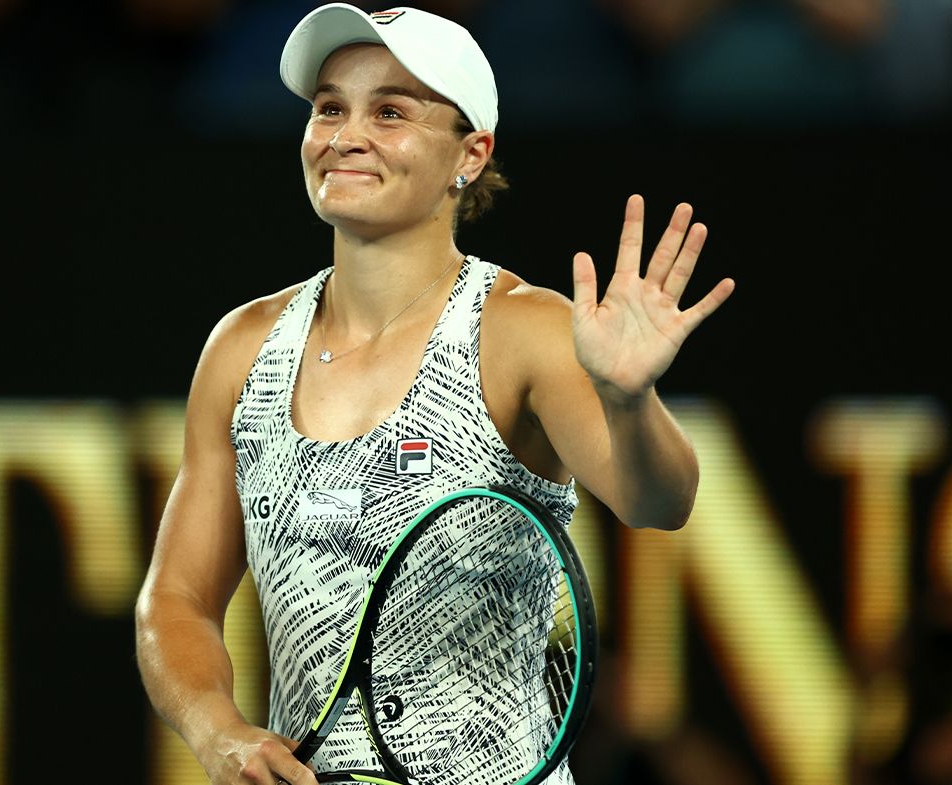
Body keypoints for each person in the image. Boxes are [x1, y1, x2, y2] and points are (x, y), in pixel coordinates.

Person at [133, 4, 735, 783]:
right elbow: (175, 599)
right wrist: (220, 733)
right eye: (329, 108)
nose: (347, 134)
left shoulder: (524, 331)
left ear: (471, 154)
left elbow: (660, 501)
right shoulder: (242, 348)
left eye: (390, 111)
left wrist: (628, 400)